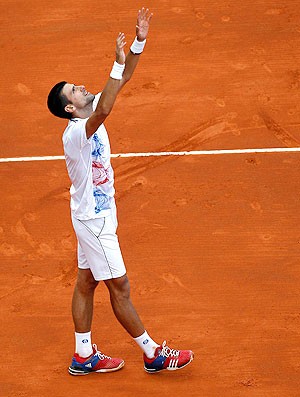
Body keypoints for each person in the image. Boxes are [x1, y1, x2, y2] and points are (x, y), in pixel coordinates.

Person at [47, 8, 194, 376]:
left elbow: (122, 79)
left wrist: (139, 41)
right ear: (70, 107)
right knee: (120, 285)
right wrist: (115, 64)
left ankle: (83, 355)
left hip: (95, 213)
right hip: (94, 220)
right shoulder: (76, 133)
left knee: (86, 280)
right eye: (75, 90)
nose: (82, 88)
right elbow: (107, 107)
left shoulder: (88, 110)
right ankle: (152, 353)